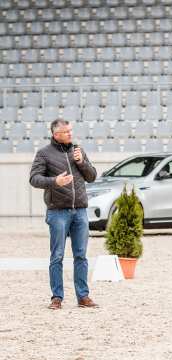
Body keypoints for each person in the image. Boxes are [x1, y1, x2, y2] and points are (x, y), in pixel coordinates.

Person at [29, 118, 98, 309]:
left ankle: (83, 297)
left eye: (71, 130)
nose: (70, 134)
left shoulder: (78, 150)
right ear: (55, 134)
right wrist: (54, 182)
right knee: (57, 256)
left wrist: (82, 162)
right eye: (66, 132)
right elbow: (34, 179)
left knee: (81, 255)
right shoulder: (44, 153)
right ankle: (57, 298)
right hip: (58, 212)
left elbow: (92, 176)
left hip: (80, 211)